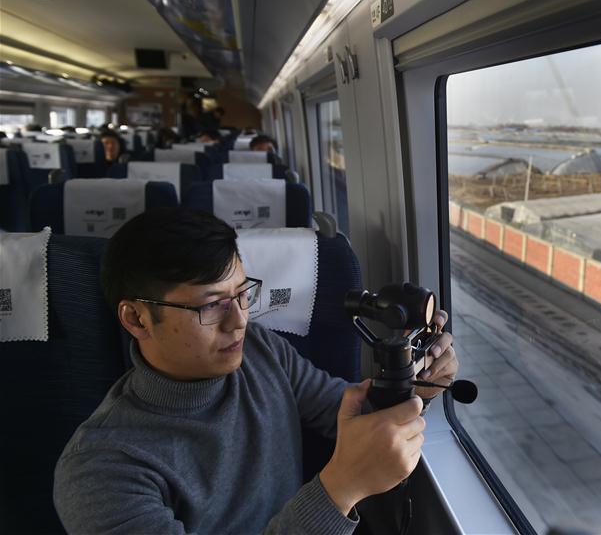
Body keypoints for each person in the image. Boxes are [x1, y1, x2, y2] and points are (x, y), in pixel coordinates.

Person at [53, 208, 458, 534]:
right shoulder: (100, 470)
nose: (240, 321)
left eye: (242, 294)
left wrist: (415, 381)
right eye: (211, 305)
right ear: (137, 319)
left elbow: (347, 413)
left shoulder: (260, 351)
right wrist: (339, 490)